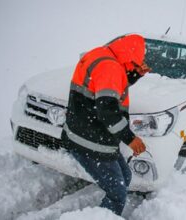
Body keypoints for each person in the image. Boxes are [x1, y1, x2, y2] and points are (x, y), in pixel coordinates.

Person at [61, 34, 150, 215]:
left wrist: (133, 75)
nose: (135, 66)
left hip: (89, 133)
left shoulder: (100, 55)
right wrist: (130, 139)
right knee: (117, 193)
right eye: (135, 63)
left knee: (125, 177)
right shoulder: (110, 67)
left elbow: (107, 85)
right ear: (130, 55)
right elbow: (108, 112)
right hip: (91, 142)